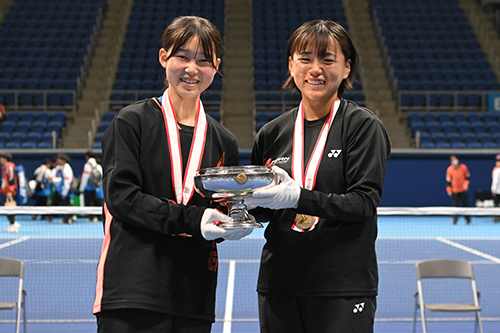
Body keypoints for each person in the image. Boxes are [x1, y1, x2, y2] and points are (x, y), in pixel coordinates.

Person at [93, 16, 252, 333]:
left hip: (194, 294)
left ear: (216, 66)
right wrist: (195, 220)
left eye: (204, 60)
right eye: (183, 56)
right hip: (132, 291)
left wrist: (238, 217)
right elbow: (122, 198)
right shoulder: (131, 122)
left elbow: (219, 210)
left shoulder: (223, 141)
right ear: (164, 57)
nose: (192, 69)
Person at [245, 20, 391, 333]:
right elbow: (265, 208)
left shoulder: (362, 127)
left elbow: (363, 203)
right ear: (291, 65)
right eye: (305, 58)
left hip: (342, 285)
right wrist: (238, 208)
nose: (315, 69)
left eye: (327, 59)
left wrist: (299, 196)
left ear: (347, 67)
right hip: (279, 283)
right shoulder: (271, 134)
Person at [77, 150, 103, 223]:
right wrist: (98, 187)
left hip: (89, 188)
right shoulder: (98, 165)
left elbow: (85, 178)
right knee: (97, 202)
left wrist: (81, 189)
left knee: (90, 203)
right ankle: (99, 217)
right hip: (97, 187)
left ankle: (92, 218)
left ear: (87, 157)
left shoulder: (87, 165)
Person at [446, 155, 471, 225]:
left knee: (465, 205)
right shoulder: (449, 169)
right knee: (455, 206)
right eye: (453, 160)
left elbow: (467, 177)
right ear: (451, 162)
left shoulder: (464, 167)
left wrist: (466, 183)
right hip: (455, 191)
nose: (455, 161)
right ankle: (455, 220)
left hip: (463, 190)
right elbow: (448, 181)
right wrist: (449, 189)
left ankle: (468, 219)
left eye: (455, 159)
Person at [50, 153, 75, 224]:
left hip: (66, 191)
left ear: (63, 160)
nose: (57, 161)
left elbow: (67, 182)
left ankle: (67, 219)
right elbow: (55, 172)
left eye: (59, 159)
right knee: (67, 205)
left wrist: (64, 193)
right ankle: (71, 217)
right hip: (62, 190)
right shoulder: (60, 167)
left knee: (66, 205)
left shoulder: (67, 169)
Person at [1, 152, 19, 232]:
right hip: (6, 190)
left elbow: (11, 179)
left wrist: (10, 190)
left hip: (10, 191)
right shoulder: (5, 167)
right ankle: (13, 223)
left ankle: (13, 224)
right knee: (7, 208)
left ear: (4, 158)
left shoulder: (10, 167)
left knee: (9, 208)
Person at [491, 154, 500, 222]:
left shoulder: (496, 170)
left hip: (497, 191)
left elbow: (495, 181)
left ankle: (497, 218)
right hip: (497, 191)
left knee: (496, 204)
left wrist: (493, 190)